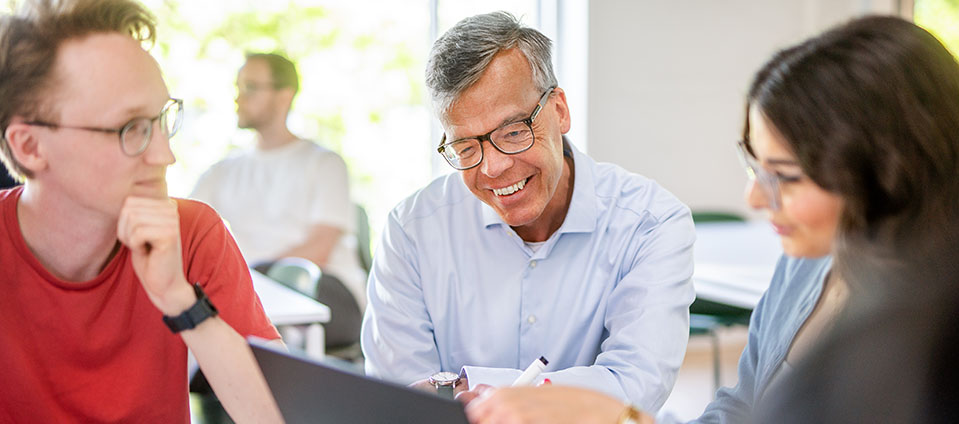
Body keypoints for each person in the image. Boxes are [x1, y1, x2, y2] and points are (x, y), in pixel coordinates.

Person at [461, 15, 959, 423]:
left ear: (888, 172)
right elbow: (740, 413)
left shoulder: (956, 339)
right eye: (753, 165)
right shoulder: (808, 264)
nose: (755, 199)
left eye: (783, 176)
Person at [360, 11, 696, 413]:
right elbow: (402, 401)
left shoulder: (651, 222)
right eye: (466, 147)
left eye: (514, 132)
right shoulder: (412, 230)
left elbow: (636, 383)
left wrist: (473, 388)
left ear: (559, 111)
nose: (492, 167)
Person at [0, 0, 284, 422]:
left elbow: (283, 414)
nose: (165, 154)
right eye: (130, 128)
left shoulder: (190, 232)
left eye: (160, 120)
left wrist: (179, 300)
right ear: (30, 146)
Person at [189, 53, 366, 346]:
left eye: (250, 87)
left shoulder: (324, 163)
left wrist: (249, 277)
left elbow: (319, 249)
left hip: (322, 295)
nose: (238, 97)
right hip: (252, 297)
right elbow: (185, 233)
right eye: (238, 87)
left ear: (285, 96)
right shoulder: (220, 172)